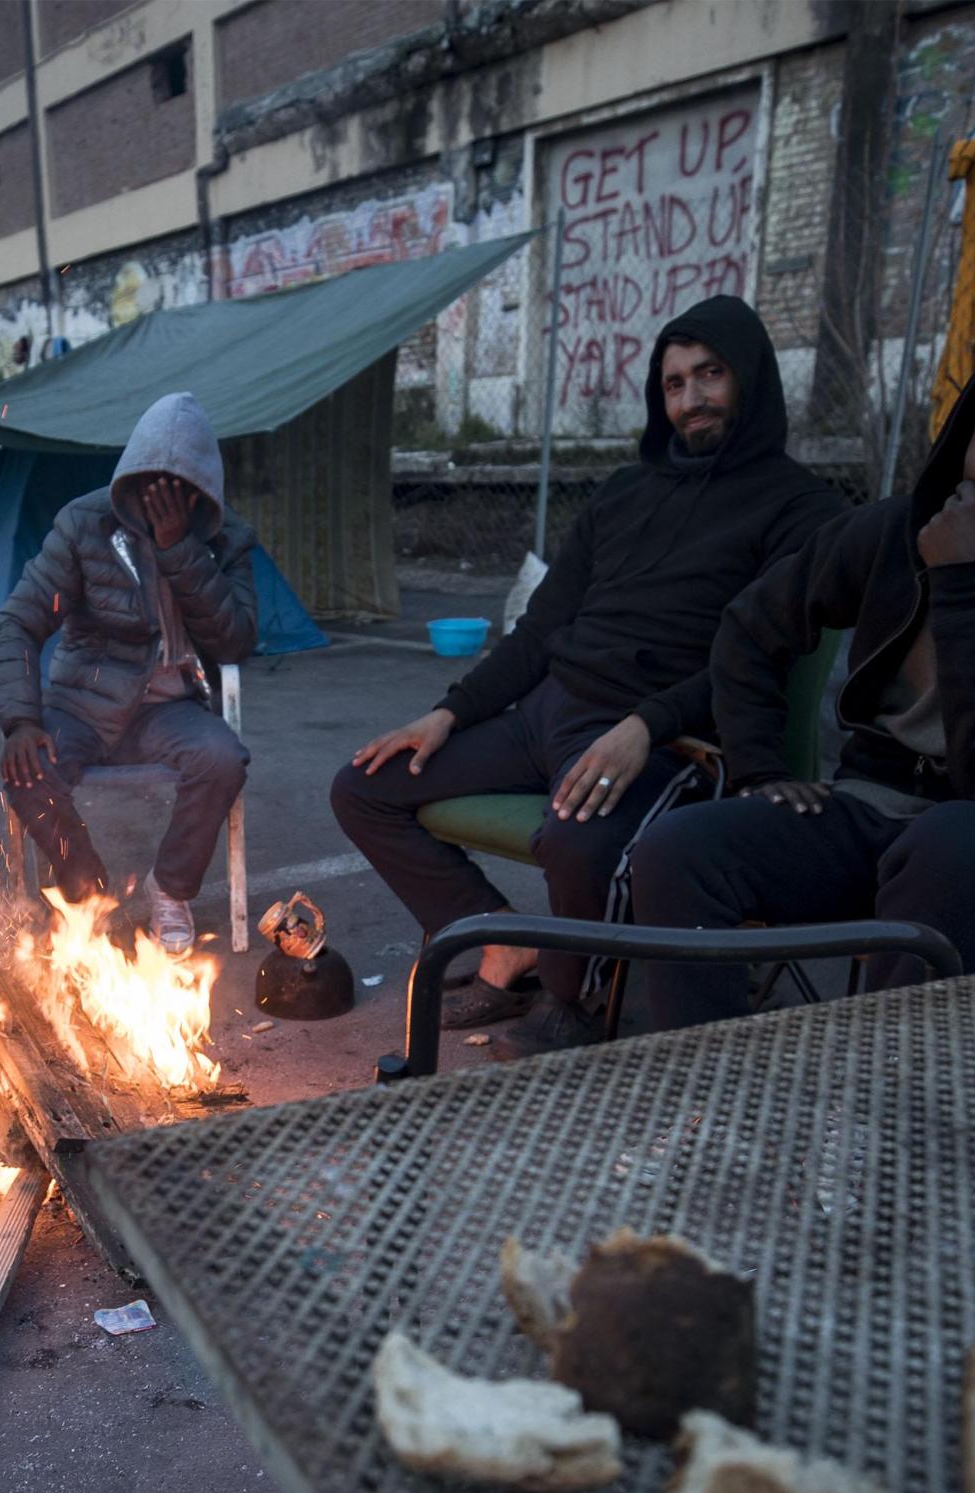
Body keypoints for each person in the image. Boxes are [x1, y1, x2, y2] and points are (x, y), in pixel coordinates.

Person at [629, 311, 975, 1027]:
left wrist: (971, 579)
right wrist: (759, 769)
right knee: (682, 846)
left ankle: (885, 1108)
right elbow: (749, 626)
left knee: (949, 848)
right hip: (875, 805)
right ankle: (709, 1092)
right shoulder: (897, 529)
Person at [331, 296, 845, 1056]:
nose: (691, 399)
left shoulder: (801, 508)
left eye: (710, 375)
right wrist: (449, 714)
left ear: (752, 379)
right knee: (365, 786)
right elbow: (541, 628)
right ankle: (505, 944)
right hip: (547, 710)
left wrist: (646, 727)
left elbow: (756, 659)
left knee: (575, 840)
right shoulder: (622, 492)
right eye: (674, 383)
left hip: (665, 732)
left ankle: (571, 1000)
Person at [0, 392, 258, 957]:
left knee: (222, 758)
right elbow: (17, 621)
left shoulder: (225, 537)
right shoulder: (85, 523)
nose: (157, 501)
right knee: (27, 769)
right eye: (147, 487)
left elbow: (235, 640)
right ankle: (87, 898)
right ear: (129, 477)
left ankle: (171, 889)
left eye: (176, 492)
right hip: (83, 700)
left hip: (170, 708)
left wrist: (179, 548)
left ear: (200, 492)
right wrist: (19, 720)